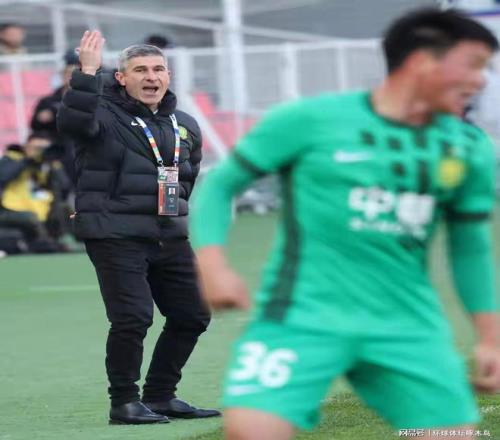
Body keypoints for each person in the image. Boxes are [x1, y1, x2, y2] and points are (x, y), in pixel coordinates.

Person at [190, 8, 500, 440]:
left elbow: (470, 247)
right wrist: (212, 265)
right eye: (474, 65)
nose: (482, 80)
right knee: (251, 430)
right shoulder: (309, 120)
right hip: (300, 316)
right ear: (421, 62)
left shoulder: (469, 148)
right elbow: (221, 185)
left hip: (408, 326)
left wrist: (490, 337)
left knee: (451, 435)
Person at [57, 31, 220, 425]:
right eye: (141, 70)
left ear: (169, 75)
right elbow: (73, 120)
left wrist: (173, 213)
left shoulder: (184, 124)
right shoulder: (101, 114)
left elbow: (187, 176)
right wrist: (87, 72)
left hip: (168, 233)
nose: (151, 77)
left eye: (158, 69)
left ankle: (161, 395)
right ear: (121, 78)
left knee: (192, 315)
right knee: (132, 317)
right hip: (115, 233)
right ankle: (124, 402)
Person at [0, 132, 71, 253]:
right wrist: (28, 160)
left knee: (65, 209)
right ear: (26, 146)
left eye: (44, 149)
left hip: (41, 205)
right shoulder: (11, 158)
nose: (41, 152)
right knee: (30, 218)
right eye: (37, 148)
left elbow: (64, 187)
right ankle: (46, 242)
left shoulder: (48, 164)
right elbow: (3, 177)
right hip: (10, 209)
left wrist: (54, 165)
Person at [31, 49, 80, 185]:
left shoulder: (91, 99)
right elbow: (34, 126)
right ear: (62, 75)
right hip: (56, 148)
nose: (70, 77)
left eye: (75, 73)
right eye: (68, 73)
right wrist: (41, 119)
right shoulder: (48, 101)